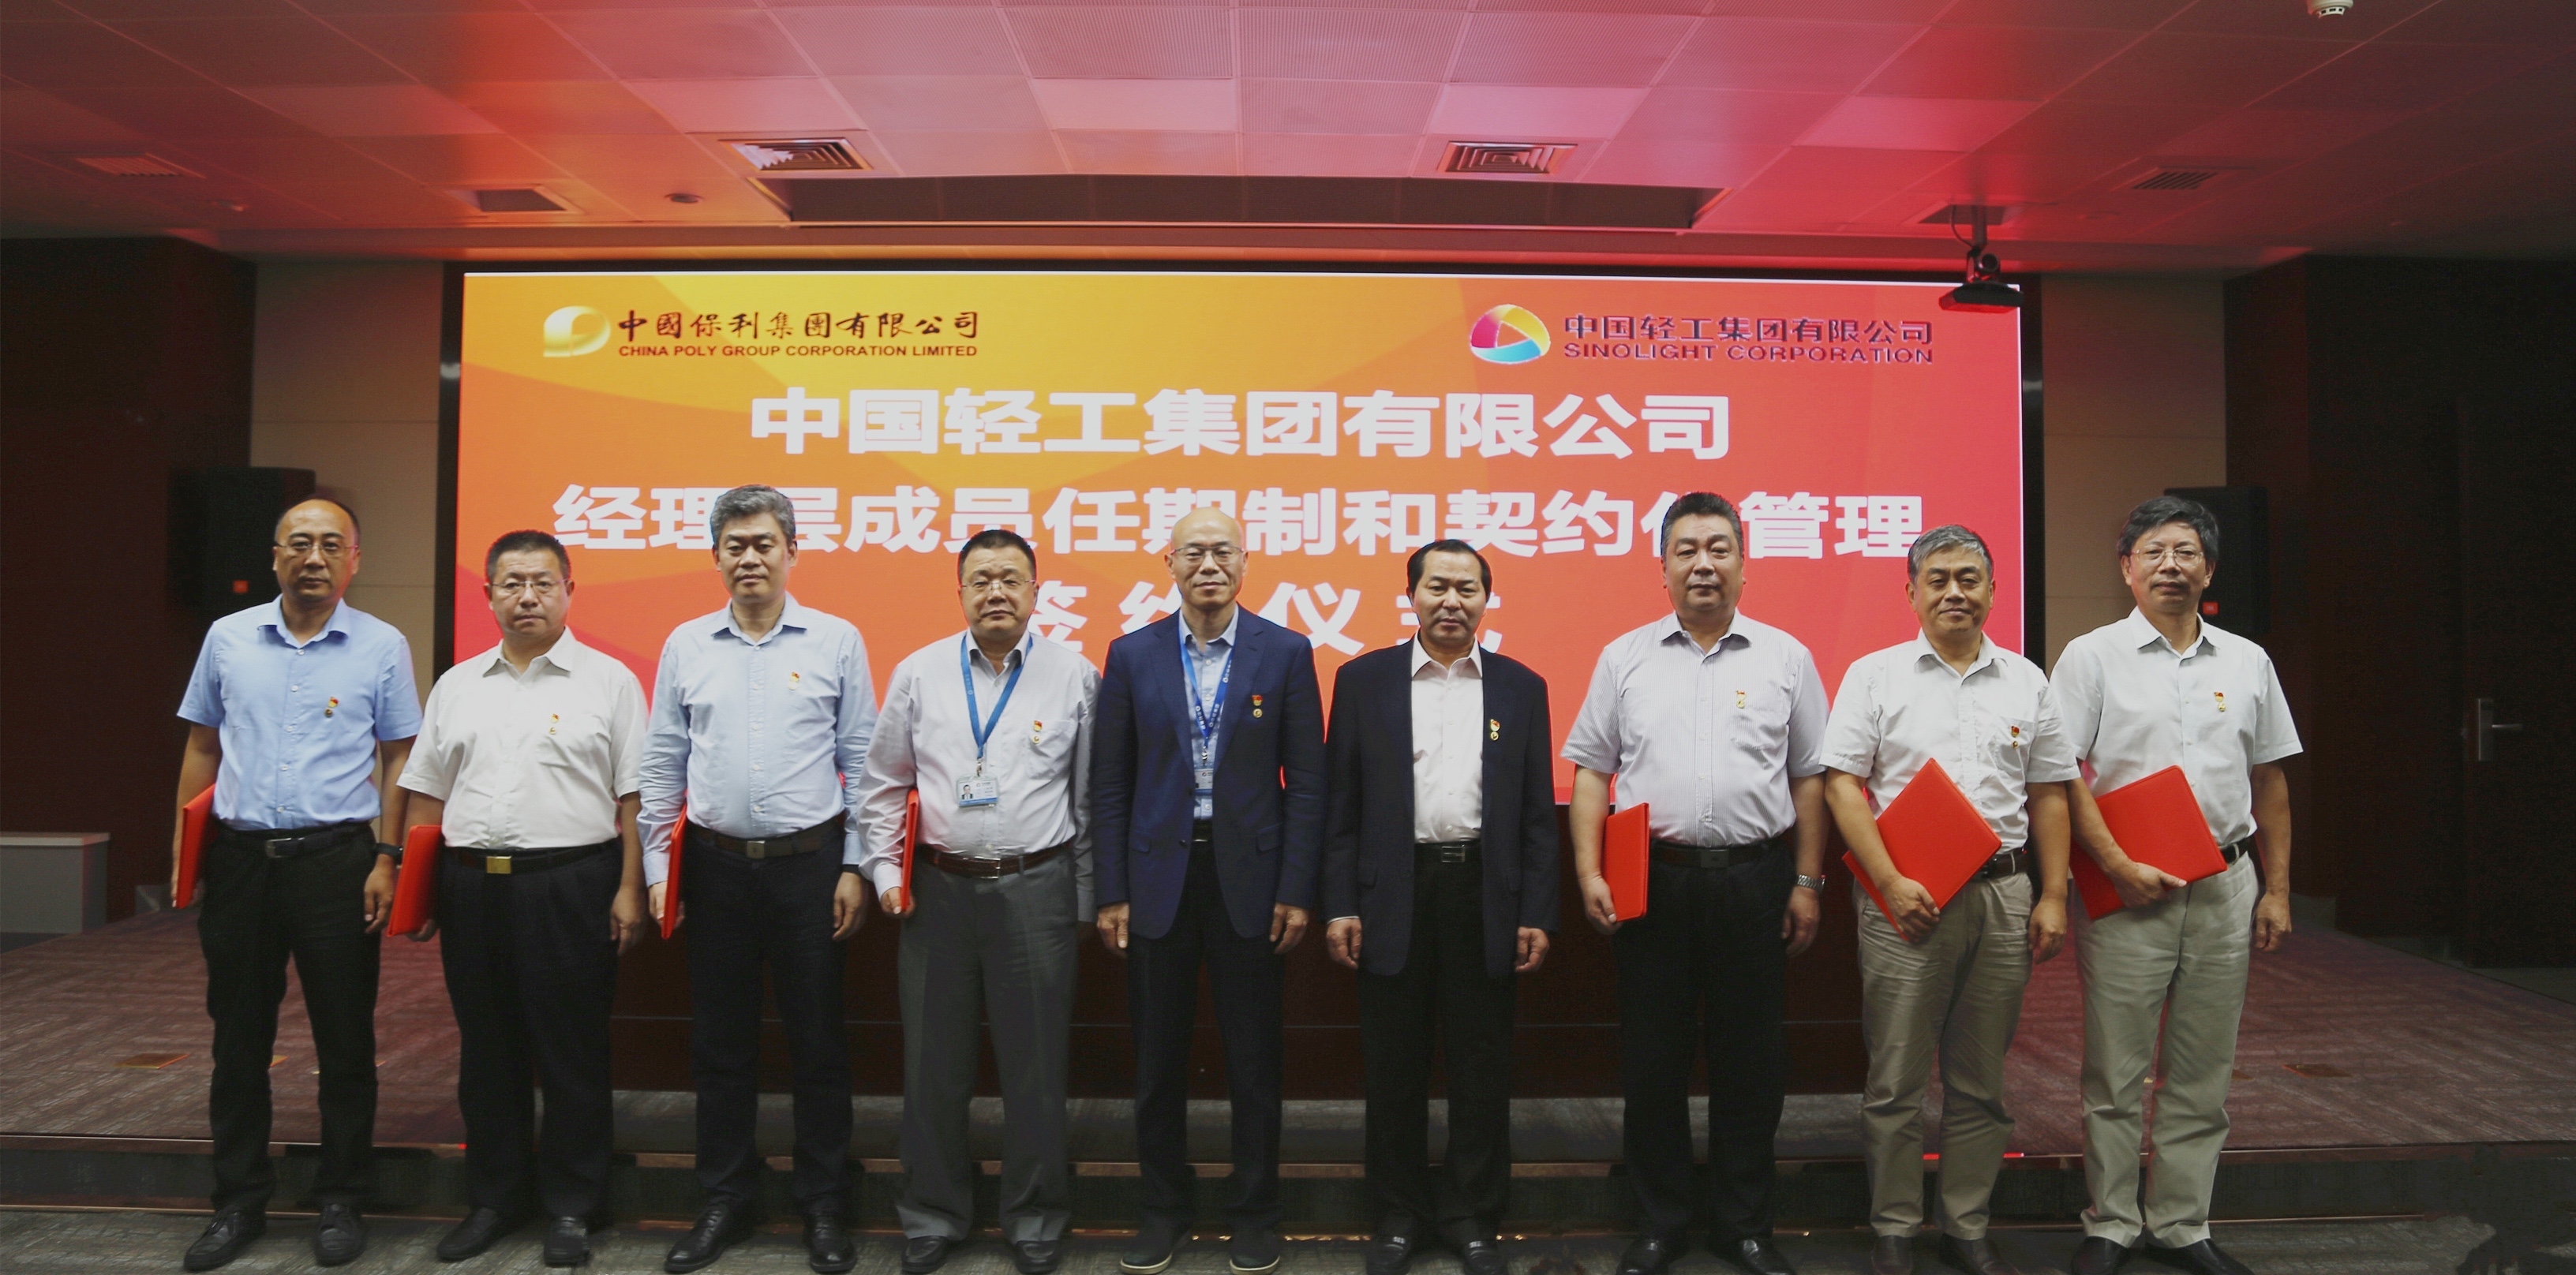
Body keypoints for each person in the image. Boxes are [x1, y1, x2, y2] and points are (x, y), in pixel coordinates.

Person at [1562, 492, 1829, 1275]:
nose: (1703, 563)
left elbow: (1810, 776)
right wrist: (1589, 870)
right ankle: (1661, 1222)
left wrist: (1808, 879)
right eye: (1686, 550)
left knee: (1752, 1063)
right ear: (1664, 568)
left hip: (1756, 879)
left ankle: (1746, 1226)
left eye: (1719, 548)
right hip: (1655, 880)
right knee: (1654, 1061)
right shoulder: (1625, 658)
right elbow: (1592, 770)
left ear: (1744, 564)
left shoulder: (1787, 657)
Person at [170, 498, 420, 1271]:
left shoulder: (381, 645)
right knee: (238, 1040)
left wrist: (387, 858)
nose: (315, 557)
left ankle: (342, 1197)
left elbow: (400, 758)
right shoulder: (228, 637)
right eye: (300, 543)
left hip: (337, 862)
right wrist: (185, 853)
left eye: (331, 545)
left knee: (345, 1039)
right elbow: (203, 746)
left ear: (355, 559)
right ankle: (238, 1200)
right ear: (275, 555)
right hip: (241, 862)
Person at [1818, 525, 2076, 1275]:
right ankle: (1895, 1227)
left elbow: (2049, 794)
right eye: (1938, 579)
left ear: (1993, 590)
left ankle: (1966, 1225)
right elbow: (1843, 785)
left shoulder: (2027, 681)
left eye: (1969, 578)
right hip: (1905, 900)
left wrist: (2053, 894)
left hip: (2003, 895)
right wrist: (1890, 882)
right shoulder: (1875, 676)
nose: (1955, 592)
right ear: (1911, 592)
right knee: (1896, 1078)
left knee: (1980, 1080)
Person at [2054, 497, 2300, 1275]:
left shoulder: (2248, 661)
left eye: (2186, 552)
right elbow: (2062, 776)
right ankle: (2111, 1222)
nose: (2170, 566)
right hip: (2130, 889)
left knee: (2202, 1066)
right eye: (2154, 552)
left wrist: (2277, 889)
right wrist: (2116, 867)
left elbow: (2271, 779)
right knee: (2116, 1068)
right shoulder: (2091, 657)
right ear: (2127, 568)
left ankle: (2182, 1223)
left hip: (2226, 883)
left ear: (2209, 570)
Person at [638, 484, 878, 1275]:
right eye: (734, 545)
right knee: (721, 1045)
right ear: (716, 556)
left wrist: (856, 865)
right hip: (714, 870)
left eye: (764, 543)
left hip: (811, 868)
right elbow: (664, 762)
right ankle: (724, 1198)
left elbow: (862, 762)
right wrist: (659, 868)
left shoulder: (836, 640)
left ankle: (824, 1202)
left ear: (791, 551)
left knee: (818, 1044)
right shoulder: (687, 645)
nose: (749, 557)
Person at [394, 530, 650, 1267]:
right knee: (487, 1049)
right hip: (471, 885)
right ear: (489, 596)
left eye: (542, 582)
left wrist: (629, 888)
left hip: (572, 883)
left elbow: (636, 798)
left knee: (571, 1050)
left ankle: (574, 1206)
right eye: (511, 584)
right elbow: (426, 795)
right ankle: (495, 1200)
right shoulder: (458, 684)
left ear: (569, 590)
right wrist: (418, 890)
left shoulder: (609, 681)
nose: (527, 597)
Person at [856, 529, 1099, 1275]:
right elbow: (883, 784)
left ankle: (1035, 1216)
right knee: (934, 1066)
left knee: (1036, 1068)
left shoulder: (1076, 676)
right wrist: (885, 874)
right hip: (937, 892)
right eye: (982, 579)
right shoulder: (919, 673)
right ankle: (932, 1213)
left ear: (1036, 591)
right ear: (959, 592)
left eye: (1011, 579)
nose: (997, 592)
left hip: (1038, 889)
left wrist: (1086, 899)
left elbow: (1090, 799)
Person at [1091, 506, 1325, 1275]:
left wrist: (1296, 887)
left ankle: (1255, 1211)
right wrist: (1112, 889)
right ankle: (1163, 1209)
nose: (1209, 565)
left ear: (1246, 561)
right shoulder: (1132, 654)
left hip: (1251, 881)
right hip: (1157, 877)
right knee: (1157, 1061)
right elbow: (1111, 784)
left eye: (1223, 551)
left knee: (1254, 1060)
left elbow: (1308, 783)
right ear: (1169, 563)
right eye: (1193, 552)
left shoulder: (1285, 652)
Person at [1321, 540, 1559, 1275]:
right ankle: (1397, 1213)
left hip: (1484, 892)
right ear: (1412, 596)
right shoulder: (1363, 681)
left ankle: (1471, 1214)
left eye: (1467, 589)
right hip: (1392, 890)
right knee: (1393, 1063)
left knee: (1481, 1063)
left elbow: (1535, 816)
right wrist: (1340, 904)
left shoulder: (1522, 687)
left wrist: (1536, 911)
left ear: (1487, 599)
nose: (1452, 601)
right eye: (1437, 587)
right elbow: (1341, 807)